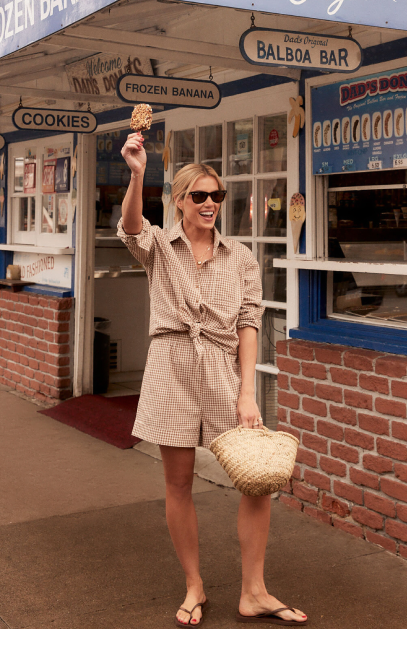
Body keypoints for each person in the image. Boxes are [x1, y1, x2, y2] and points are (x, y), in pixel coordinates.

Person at [118, 129, 307, 629]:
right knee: (178, 482)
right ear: (179, 201)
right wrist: (137, 173)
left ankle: (254, 591)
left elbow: (249, 323)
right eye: (198, 196)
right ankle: (194, 585)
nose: (209, 204)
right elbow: (131, 226)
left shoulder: (240, 256)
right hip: (171, 366)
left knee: (257, 479)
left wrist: (249, 393)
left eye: (216, 196)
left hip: (222, 369)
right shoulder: (159, 245)